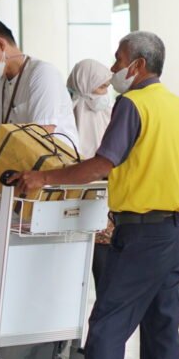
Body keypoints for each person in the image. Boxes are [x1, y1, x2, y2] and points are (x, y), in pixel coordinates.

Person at [18, 31, 179, 359]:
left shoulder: (132, 104)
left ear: (139, 65)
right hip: (173, 233)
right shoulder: (177, 105)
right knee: (161, 327)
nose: (113, 69)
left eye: (118, 61)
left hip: (142, 234)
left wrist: (43, 177)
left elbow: (101, 164)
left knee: (109, 321)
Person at [0, 18, 80, 171]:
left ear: (0, 45)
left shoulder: (42, 74)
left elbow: (39, 139)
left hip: (56, 177)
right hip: (20, 176)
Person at [67, 59, 116, 285]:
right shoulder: (68, 114)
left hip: (107, 201)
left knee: (106, 269)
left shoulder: (110, 112)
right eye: (101, 87)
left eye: (107, 87)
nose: (105, 93)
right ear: (85, 85)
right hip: (74, 202)